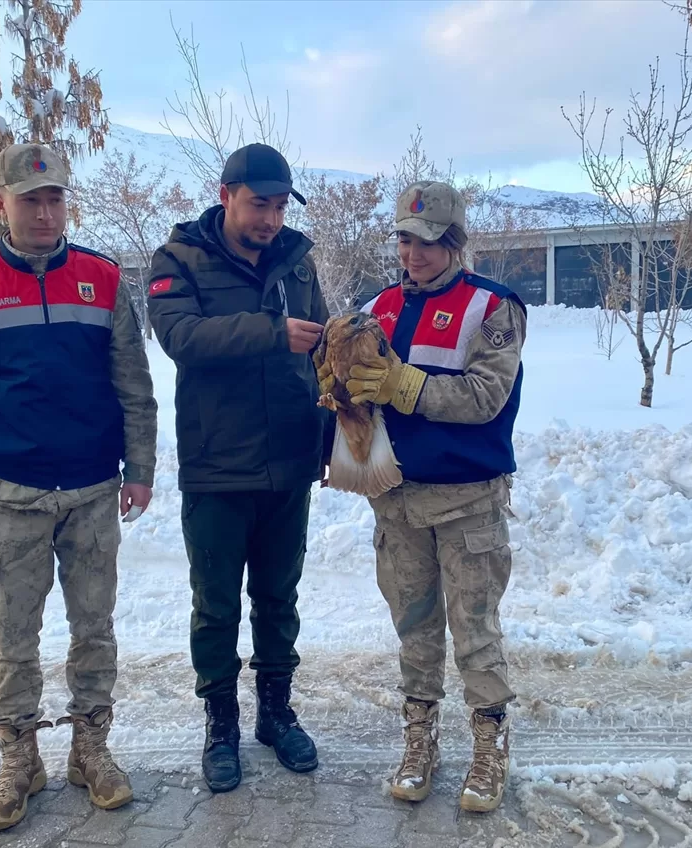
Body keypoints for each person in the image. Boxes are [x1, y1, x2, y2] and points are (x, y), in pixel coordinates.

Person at [0, 142, 158, 831]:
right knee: (13, 637)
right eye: (31, 199)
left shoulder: (103, 280)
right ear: (0, 203)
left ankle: (91, 748)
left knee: (95, 629)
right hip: (9, 494)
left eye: (55, 197)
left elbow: (134, 389)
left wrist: (139, 470)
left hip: (91, 492)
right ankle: (19, 758)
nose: (46, 212)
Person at [315, 181, 526, 812]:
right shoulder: (374, 307)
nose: (414, 254)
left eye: (428, 242)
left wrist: (406, 385)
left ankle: (489, 745)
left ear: (455, 241)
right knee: (414, 627)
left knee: (475, 631)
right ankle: (421, 738)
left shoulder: (492, 307)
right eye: (405, 240)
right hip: (398, 501)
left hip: (467, 504)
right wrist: (336, 388)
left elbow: (488, 397)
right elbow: (358, 398)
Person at [147, 143, 328, 794]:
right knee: (217, 606)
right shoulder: (178, 261)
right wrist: (270, 331)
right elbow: (182, 340)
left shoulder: (298, 260)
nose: (271, 220)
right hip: (217, 466)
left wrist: (333, 430)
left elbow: (323, 347)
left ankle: (275, 715)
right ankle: (220, 724)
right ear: (225, 195)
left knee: (279, 600)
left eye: (280, 206)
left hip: (288, 460)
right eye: (259, 205)